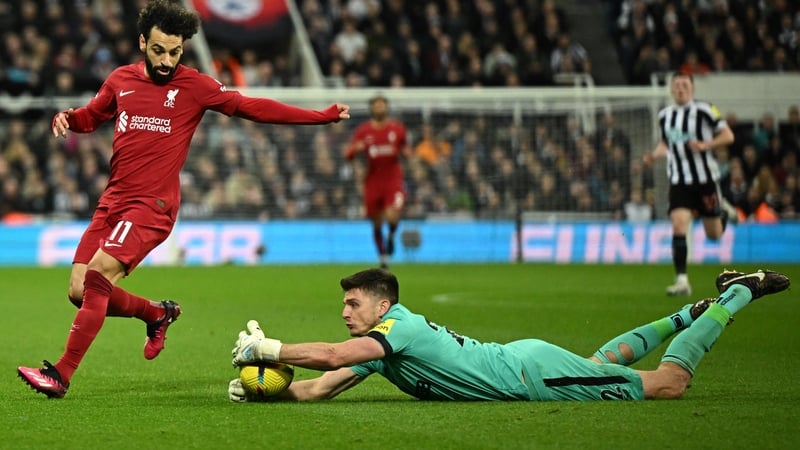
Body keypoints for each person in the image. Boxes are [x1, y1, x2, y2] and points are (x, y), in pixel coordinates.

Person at [17, 0, 350, 399]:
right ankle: (157, 313)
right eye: (158, 50)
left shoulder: (195, 86)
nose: (166, 61)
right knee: (78, 290)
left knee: (97, 277)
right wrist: (70, 118)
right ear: (143, 42)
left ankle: (61, 374)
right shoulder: (120, 79)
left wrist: (319, 116)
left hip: (152, 205)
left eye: (175, 52)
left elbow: (252, 107)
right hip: (113, 201)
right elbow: (92, 116)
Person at [228, 267, 789, 402]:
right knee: (599, 363)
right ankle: (694, 311)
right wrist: (263, 388)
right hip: (526, 359)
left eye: (354, 304)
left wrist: (269, 347)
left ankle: (737, 293)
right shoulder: (384, 348)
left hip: (530, 376)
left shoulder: (395, 328)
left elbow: (327, 357)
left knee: (668, 384)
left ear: (382, 305)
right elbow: (316, 387)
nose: (346, 312)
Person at [643, 71, 736, 296]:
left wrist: (707, 144)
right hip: (679, 181)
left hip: (705, 181)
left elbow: (728, 136)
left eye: (684, 85)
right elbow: (667, 143)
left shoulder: (705, 110)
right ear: (672, 89)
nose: (680, 89)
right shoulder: (665, 115)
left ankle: (723, 212)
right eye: (677, 85)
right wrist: (654, 156)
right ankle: (682, 281)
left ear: (692, 88)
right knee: (678, 225)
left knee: (713, 234)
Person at [344, 94, 410, 269]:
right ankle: (383, 258)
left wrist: (410, 155)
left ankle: (391, 237)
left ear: (387, 108)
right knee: (377, 222)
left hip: (393, 179)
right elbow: (348, 155)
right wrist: (355, 150)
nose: (380, 108)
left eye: (383, 105)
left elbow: (405, 148)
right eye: (377, 105)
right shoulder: (363, 131)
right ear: (371, 108)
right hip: (373, 180)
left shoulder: (397, 129)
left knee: (392, 215)